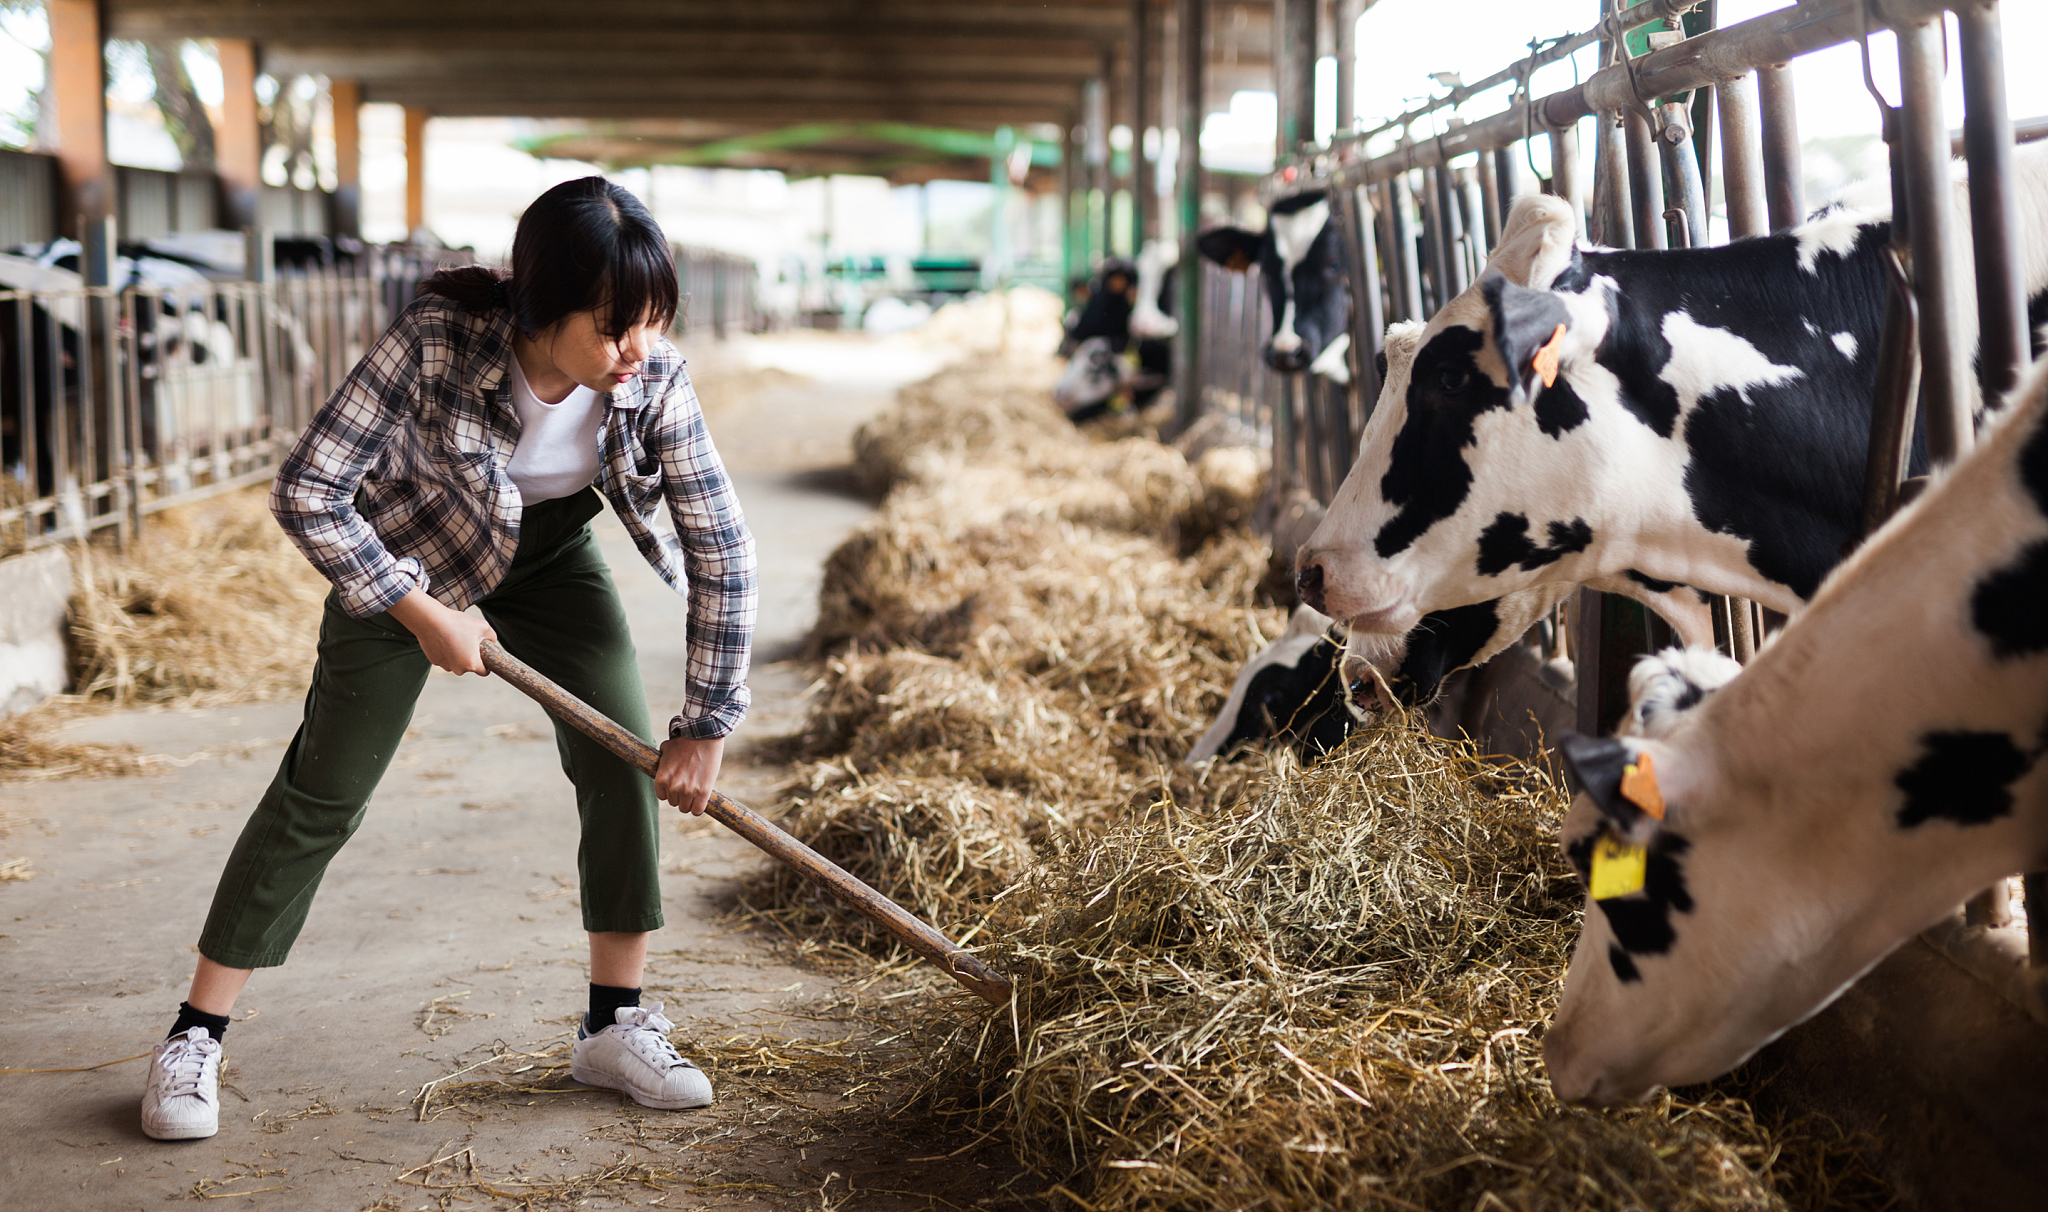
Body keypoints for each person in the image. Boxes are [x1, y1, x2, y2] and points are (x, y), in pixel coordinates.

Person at [139, 178, 757, 1142]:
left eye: (650, 322)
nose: (634, 349)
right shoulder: (434, 339)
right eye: (612, 326)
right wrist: (416, 609)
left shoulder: (654, 377)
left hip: (548, 555)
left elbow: (723, 548)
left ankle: (614, 1023)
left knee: (621, 756)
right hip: (408, 554)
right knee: (325, 787)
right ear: (540, 309)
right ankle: (196, 1035)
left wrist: (708, 724)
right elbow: (308, 488)